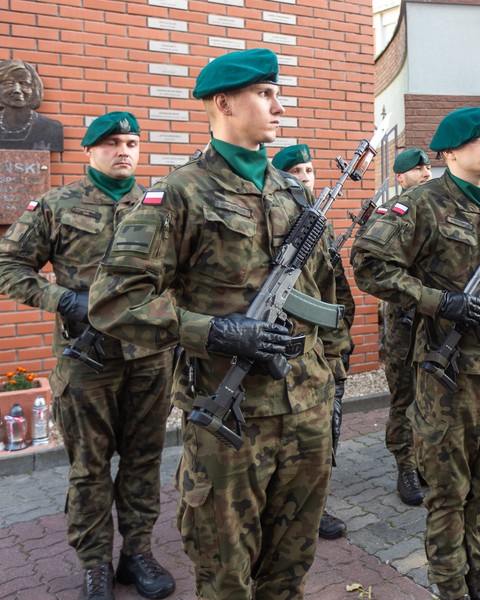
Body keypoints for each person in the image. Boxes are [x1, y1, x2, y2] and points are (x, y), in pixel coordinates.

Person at [88, 49, 337, 599]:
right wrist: (214, 331)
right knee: (226, 576)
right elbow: (112, 300)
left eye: (278, 92)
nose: (279, 105)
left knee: (290, 569)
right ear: (223, 102)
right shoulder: (179, 192)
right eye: (265, 94)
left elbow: (325, 296)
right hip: (231, 421)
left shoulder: (295, 192)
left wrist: (330, 376)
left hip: (306, 410)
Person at [352, 106, 480, 600]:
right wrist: (438, 301)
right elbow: (368, 263)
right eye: (478, 139)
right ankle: (451, 587)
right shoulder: (422, 204)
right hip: (447, 374)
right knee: (449, 492)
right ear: (450, 152)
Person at [0, 112, 174, 600]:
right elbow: (9, 265)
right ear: (90, 150)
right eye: (113, 142)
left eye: (132, 142)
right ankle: (95, 562)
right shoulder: (57, 205)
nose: (124, 151)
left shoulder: (162, 204)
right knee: (90, 467)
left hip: (149, 359)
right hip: (86, 363)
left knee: (143, 461)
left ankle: (136, 554)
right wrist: (64, 299)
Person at [273, 142, 357, 538]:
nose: (306, 177)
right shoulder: (277, 220)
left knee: (322, 438)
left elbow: (334, 296)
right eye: (297, 172)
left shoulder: (320, 226)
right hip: (274, 350)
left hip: (318, 353)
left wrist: (338, 351)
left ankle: (315, 505)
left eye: (310, 170)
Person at [381, 147, 432, 506]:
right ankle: (406, 465)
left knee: (430, 395)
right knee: (405, 396)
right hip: (403, 322)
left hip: (433, 321)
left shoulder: (435, 211)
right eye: (417, 169)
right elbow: (379, 270)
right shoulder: (392, 214)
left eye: (428, 166)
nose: (426, 173)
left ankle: (425, 459)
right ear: (401, 178)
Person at [0, 58, 64, 151]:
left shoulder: (52, 128)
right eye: (8, 83)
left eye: (24, 83)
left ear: (34, 88)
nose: (17, 90)